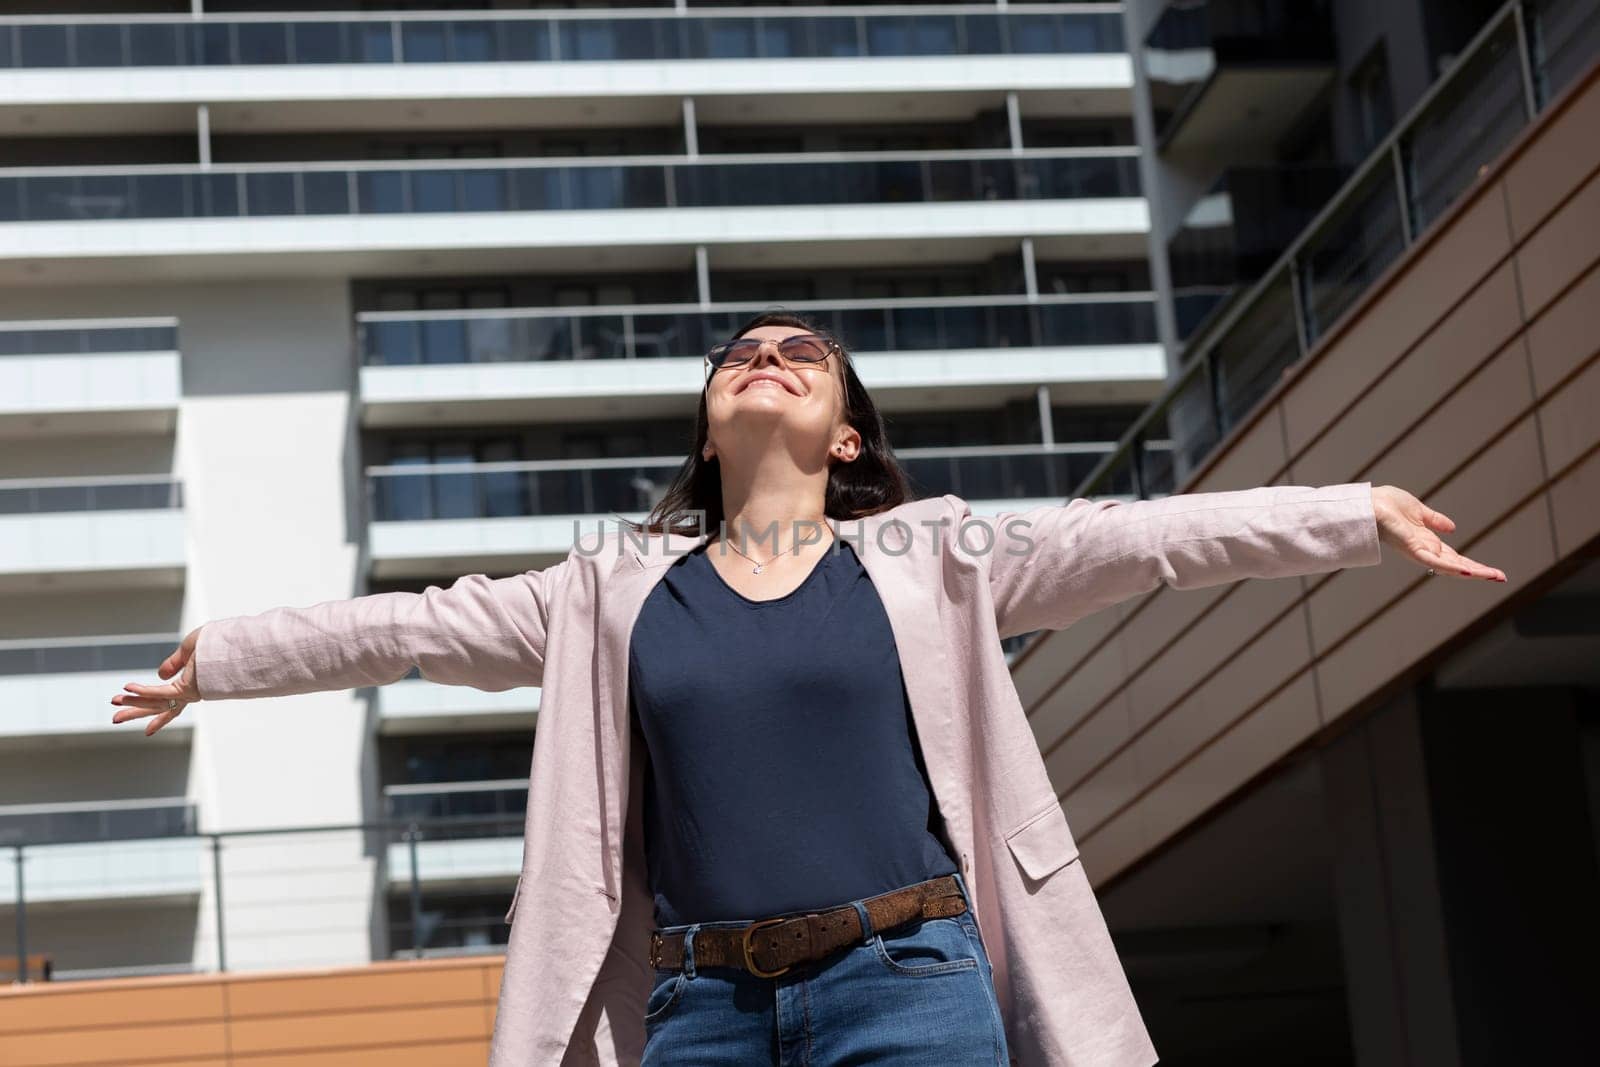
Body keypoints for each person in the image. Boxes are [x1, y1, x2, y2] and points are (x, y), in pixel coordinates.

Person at [111, 311, 1505, 1065]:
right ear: (710, 421)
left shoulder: (932, 555)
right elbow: (410, 628)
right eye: (740, 355)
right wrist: (225, 658)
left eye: (801, 354)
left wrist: (1347, 514)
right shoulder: (608, 589)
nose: (762, 360)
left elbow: (1133, 542)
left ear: (845, 436)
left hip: (912, 982)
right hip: (701, 1012)